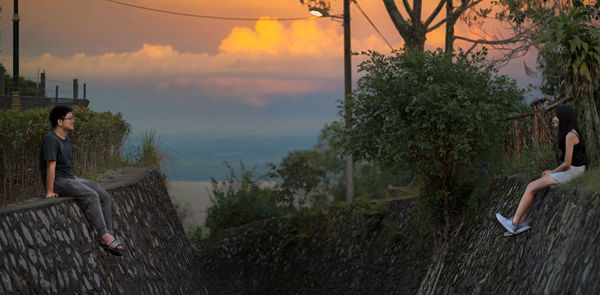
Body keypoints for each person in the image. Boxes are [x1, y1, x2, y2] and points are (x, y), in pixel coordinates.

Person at [40, 106, 124, 256]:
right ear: (60, 121)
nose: (73, 121)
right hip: (59, 181)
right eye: (70, 118)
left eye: (73, 118)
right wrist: (50, 191)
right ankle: (104, 236)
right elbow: (50, 166)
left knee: (104, 195)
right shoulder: (51, 139)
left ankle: (109, 234)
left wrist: (76, 181)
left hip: (70, 178)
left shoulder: (66, 140)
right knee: (91, 195)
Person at [496, 104, 588, 236]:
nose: (554, 119)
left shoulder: (570, 135)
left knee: (530, 186)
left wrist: (552, 172)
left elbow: (567, 163)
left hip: (573, 172)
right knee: (535, 188)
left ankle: (514, 223)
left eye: (556, 116)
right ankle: (521, 223)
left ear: (563, 117)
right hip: (574, 170)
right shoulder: (571, 133)